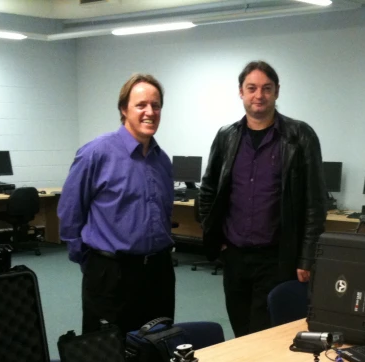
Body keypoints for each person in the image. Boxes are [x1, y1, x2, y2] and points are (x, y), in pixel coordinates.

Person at [198, 61, 326, 337]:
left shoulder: (299, 136)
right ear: (241, 93)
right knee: (240, 326)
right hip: (234, 256)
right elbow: (208, 190)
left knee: (265, 330)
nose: (259, 95)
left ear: (277, 92)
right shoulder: (226, 137)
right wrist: (214, 234)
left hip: (277, 256)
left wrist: (307, 257)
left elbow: (315, 202)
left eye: (266, 88)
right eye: (252, 88)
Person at [58, 73, 175, 335]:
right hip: (111, 274)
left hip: (158, 273)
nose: (150, 112)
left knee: (155, 351)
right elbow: (70, 212)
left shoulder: (162, 161)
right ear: (124, 109)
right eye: (141, 105)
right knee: (107, 358)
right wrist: (92, 263)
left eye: (156, 106)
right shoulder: (96, 153)